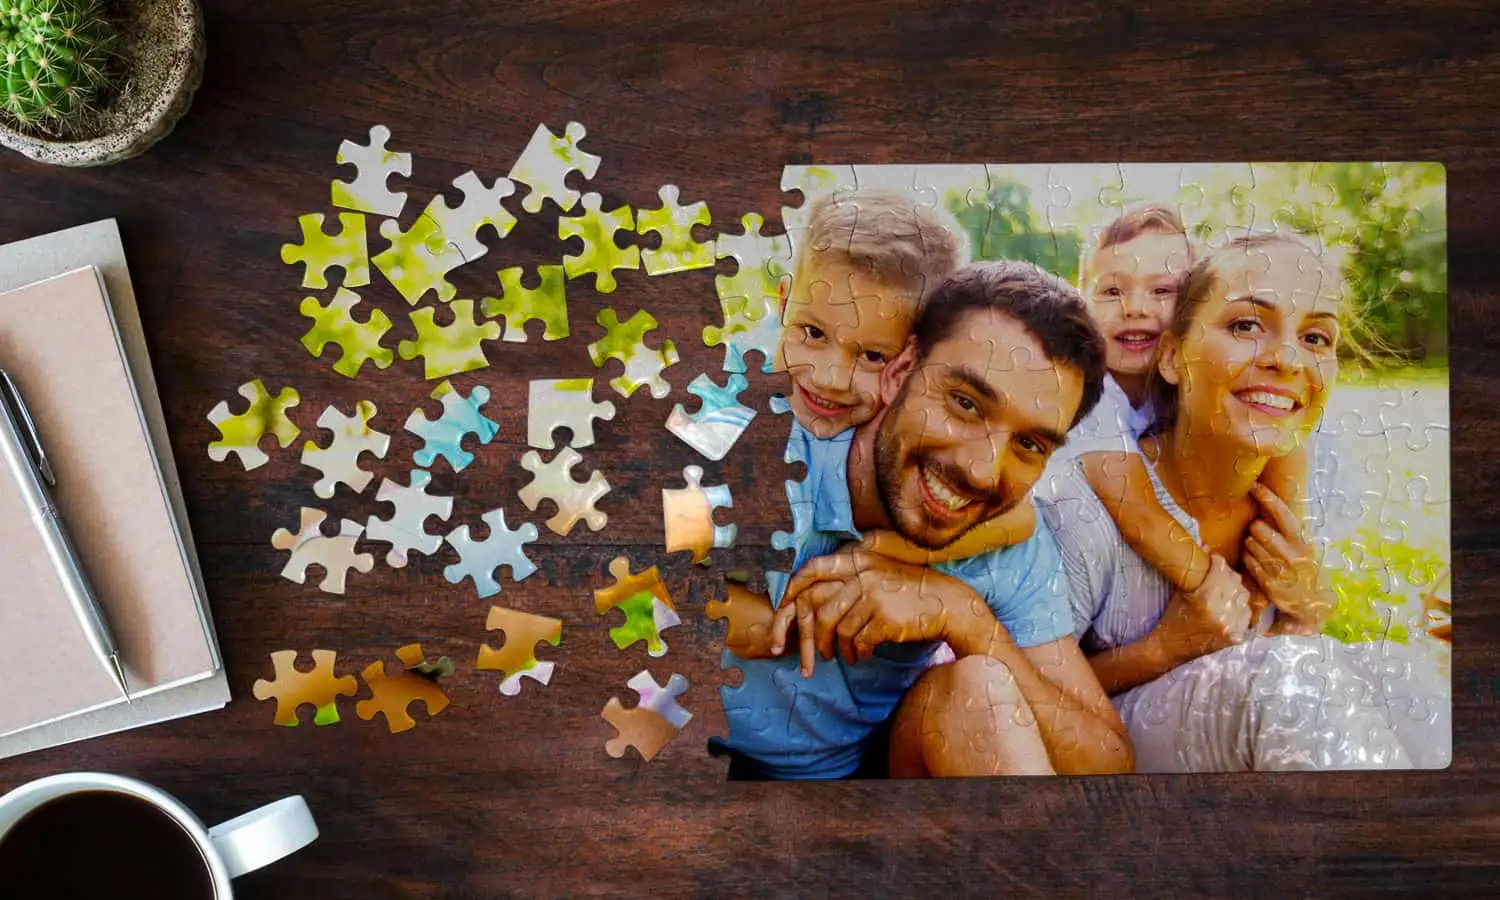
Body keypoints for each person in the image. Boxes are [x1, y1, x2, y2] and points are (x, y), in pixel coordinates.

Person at [1038, 232, 1450, 771]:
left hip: (1255, 721)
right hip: (1111, 751)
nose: (1286, 359)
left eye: (1317, 338)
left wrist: (1305, 612)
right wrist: (1168, 647)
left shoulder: (1291, 495)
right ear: (1170, 357)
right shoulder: (1086, 508)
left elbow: (1283, 650)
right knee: (1292, 681)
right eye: (1246, 325)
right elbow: (1022, 694)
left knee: (1397, 672)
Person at [712, 261, 1132, 779]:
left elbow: (1108, 761)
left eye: (1029, 443)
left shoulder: (1008, 543)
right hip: (682, 764)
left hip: (849, 790)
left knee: (978, 690)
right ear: (900, 369)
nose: (982, 470)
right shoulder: (778, 454)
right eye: (965, 403)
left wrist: (965, 617)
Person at [1064, 205, 1316, 603]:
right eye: (1112, 291)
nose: (1136, 308)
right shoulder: (1088, 392)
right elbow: (1139, 516)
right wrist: (1221, 595)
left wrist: (1280, 570)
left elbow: (1285, 449)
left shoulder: (1199, 380)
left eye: (1161, 291)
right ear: (1082, 305)